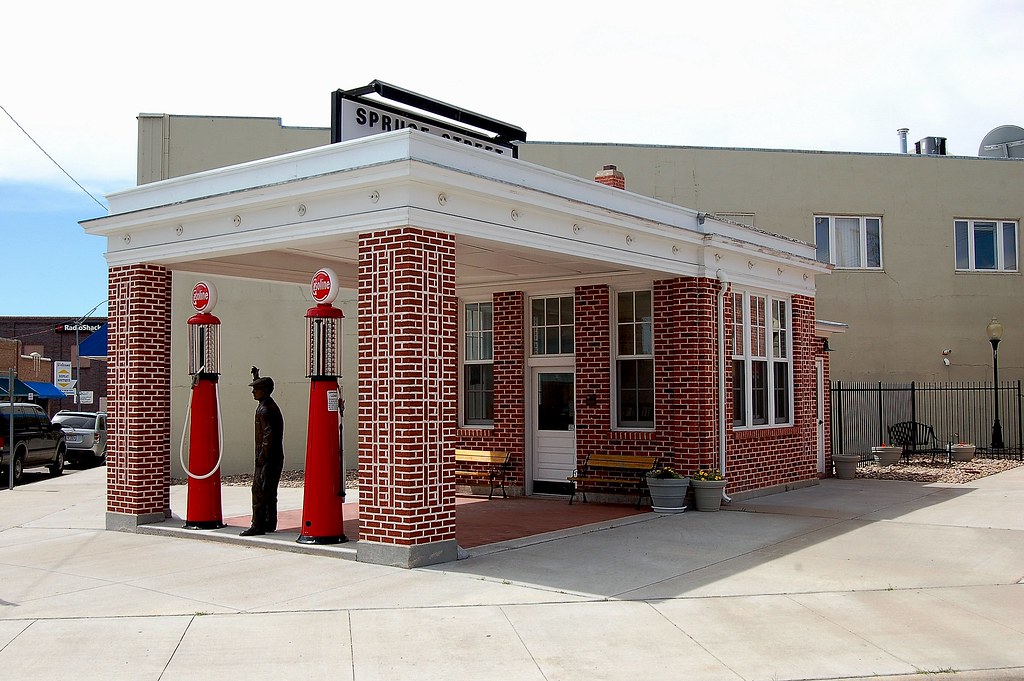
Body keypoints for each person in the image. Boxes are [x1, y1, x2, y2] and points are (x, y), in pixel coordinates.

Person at [240, 366, 285, 536]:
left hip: (268, 457)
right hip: (272, 456)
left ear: (264, 391)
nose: (253, 392)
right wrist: (256, 376)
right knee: (269, 490)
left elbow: (269, 436)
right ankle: (269, 522)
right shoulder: (267, 406)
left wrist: (262, 457)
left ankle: (257, 524)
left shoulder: (266, 409)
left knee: (259, 490)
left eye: (256, 389)